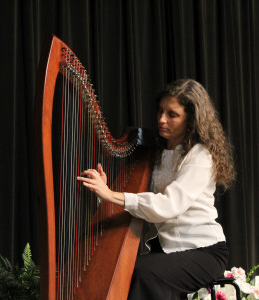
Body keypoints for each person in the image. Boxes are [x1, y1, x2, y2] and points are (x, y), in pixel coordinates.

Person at [77, 79, 236, 299]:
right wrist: (104, 195)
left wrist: (112, 194)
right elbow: (140, 207)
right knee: (126, 270)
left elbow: (168, 206)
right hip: (168, 250)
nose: (162, 119)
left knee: (142, 272)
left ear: (191, 118)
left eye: (172, 114)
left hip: (203, 251)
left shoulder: (200, 156)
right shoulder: (158, 155)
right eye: (160, 111)